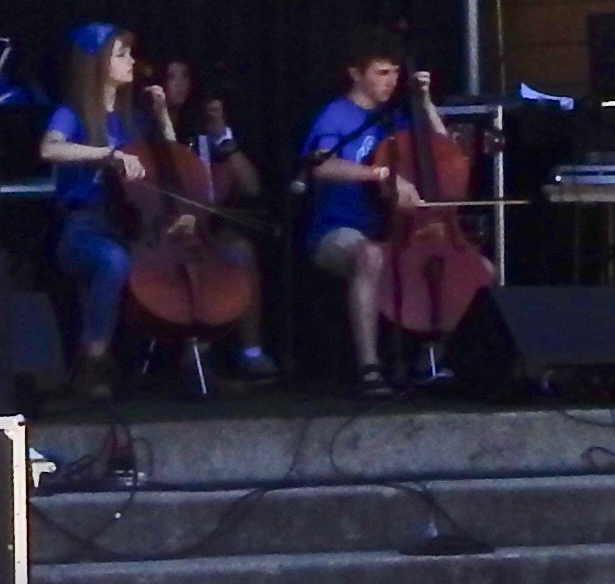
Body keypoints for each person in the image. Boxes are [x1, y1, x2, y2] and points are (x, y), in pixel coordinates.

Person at [297, 35, 423, 398]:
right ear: (356, 73)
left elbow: (439, 151)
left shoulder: (398, 119)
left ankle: (434, 360)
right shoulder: (336, 114)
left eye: (395, 72)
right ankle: (369, 367)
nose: (391, 80)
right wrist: (379, 174)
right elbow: (321, 166)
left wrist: (425, 102)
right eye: (382, 72)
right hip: (336, 230)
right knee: (369, 255)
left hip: (394, 230)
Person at [39, 22, 151, 403]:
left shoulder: (133, 119)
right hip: (82, 224)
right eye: (121, 54)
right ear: (97, 63)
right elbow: (50, 149)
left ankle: (195, 361)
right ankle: (93, 360)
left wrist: (164, 116)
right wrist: (106, 155)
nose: (131, 61)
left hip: (129, 222)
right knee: (112, 260)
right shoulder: (70, 114)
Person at [156, 56, 278, 384]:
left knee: (242, 251)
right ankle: (195, 354)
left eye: (184, 76)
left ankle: (250, 350)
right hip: (162, 227)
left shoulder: (203, 131)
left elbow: (251, 186)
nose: (179, 85)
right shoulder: (147, 127)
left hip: (208, 227)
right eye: (171, 77)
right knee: (190, 253)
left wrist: (222, 134)